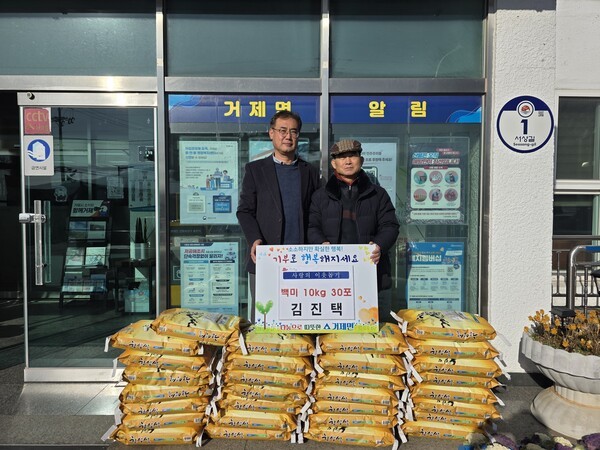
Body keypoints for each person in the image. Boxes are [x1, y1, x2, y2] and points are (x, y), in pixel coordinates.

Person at [237, 110, 320, 320]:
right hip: (266, 257)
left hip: (301, 259)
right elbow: (245, 210)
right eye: (282, 130)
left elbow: (317, 212)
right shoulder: (255, 170)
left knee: (299, 317)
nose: (288, 136)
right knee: (265, 318)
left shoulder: (310, 172)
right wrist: (255, 239)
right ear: (271, 133)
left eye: (293, 131)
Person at [307, 139, 399, 321]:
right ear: (334, 163)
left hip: (372, 274)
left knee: (373, 328)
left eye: (352, 156)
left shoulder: (378, 194)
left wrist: (379, 245)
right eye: (342, 157)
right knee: (335, 328)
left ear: (361, 160)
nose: (348, 161)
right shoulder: (320, 196)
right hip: (333, 277)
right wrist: (321, 243)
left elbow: (390, 225)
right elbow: (312, 226)